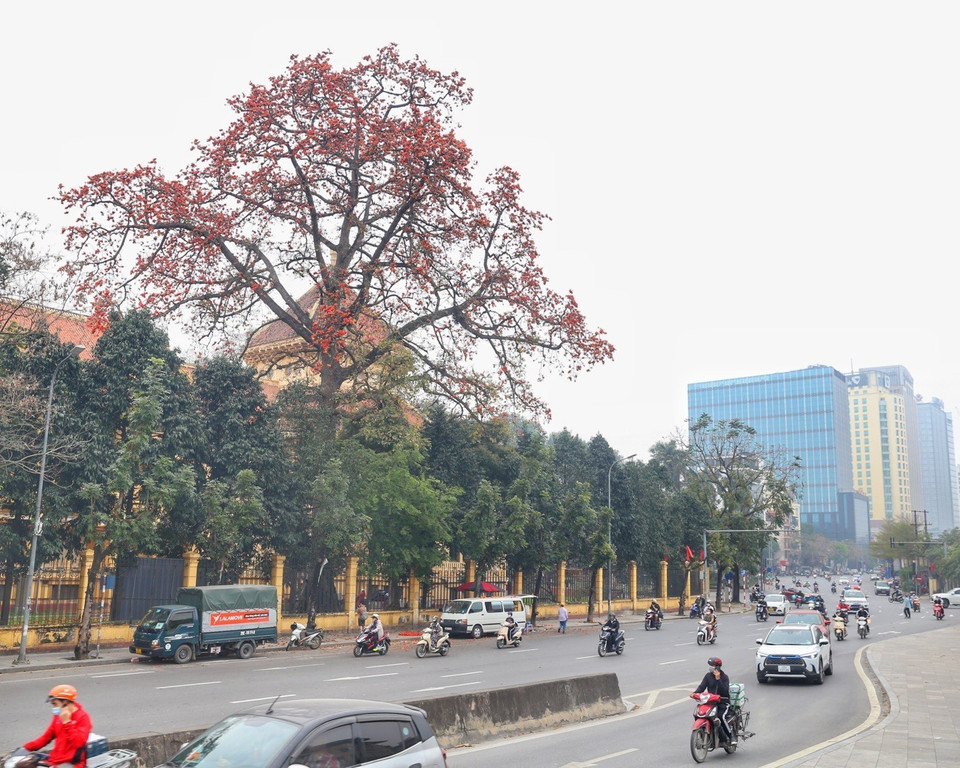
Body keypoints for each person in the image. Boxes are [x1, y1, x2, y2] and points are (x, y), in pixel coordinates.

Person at [24, 684, 92, 768]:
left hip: (71, 764)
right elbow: (46, 737)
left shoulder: (83, 717)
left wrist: (67, 722)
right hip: (55, 761)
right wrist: (26, 748)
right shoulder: (58, 716)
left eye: (55, 704)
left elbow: (78, 743)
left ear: (65, 702)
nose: (54, 708)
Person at [690, 657, 735, 745]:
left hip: (723, 702)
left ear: (718, 667)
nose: (711, 667)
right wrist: (694, 693)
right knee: (699, 714)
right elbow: (701, 687)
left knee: (721, 717)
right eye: (710, 665)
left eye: (713, 665)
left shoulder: (724, 677)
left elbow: (725, 692)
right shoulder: (708, 676)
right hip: (711, 702)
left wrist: (718, 679)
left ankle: (731, 736)